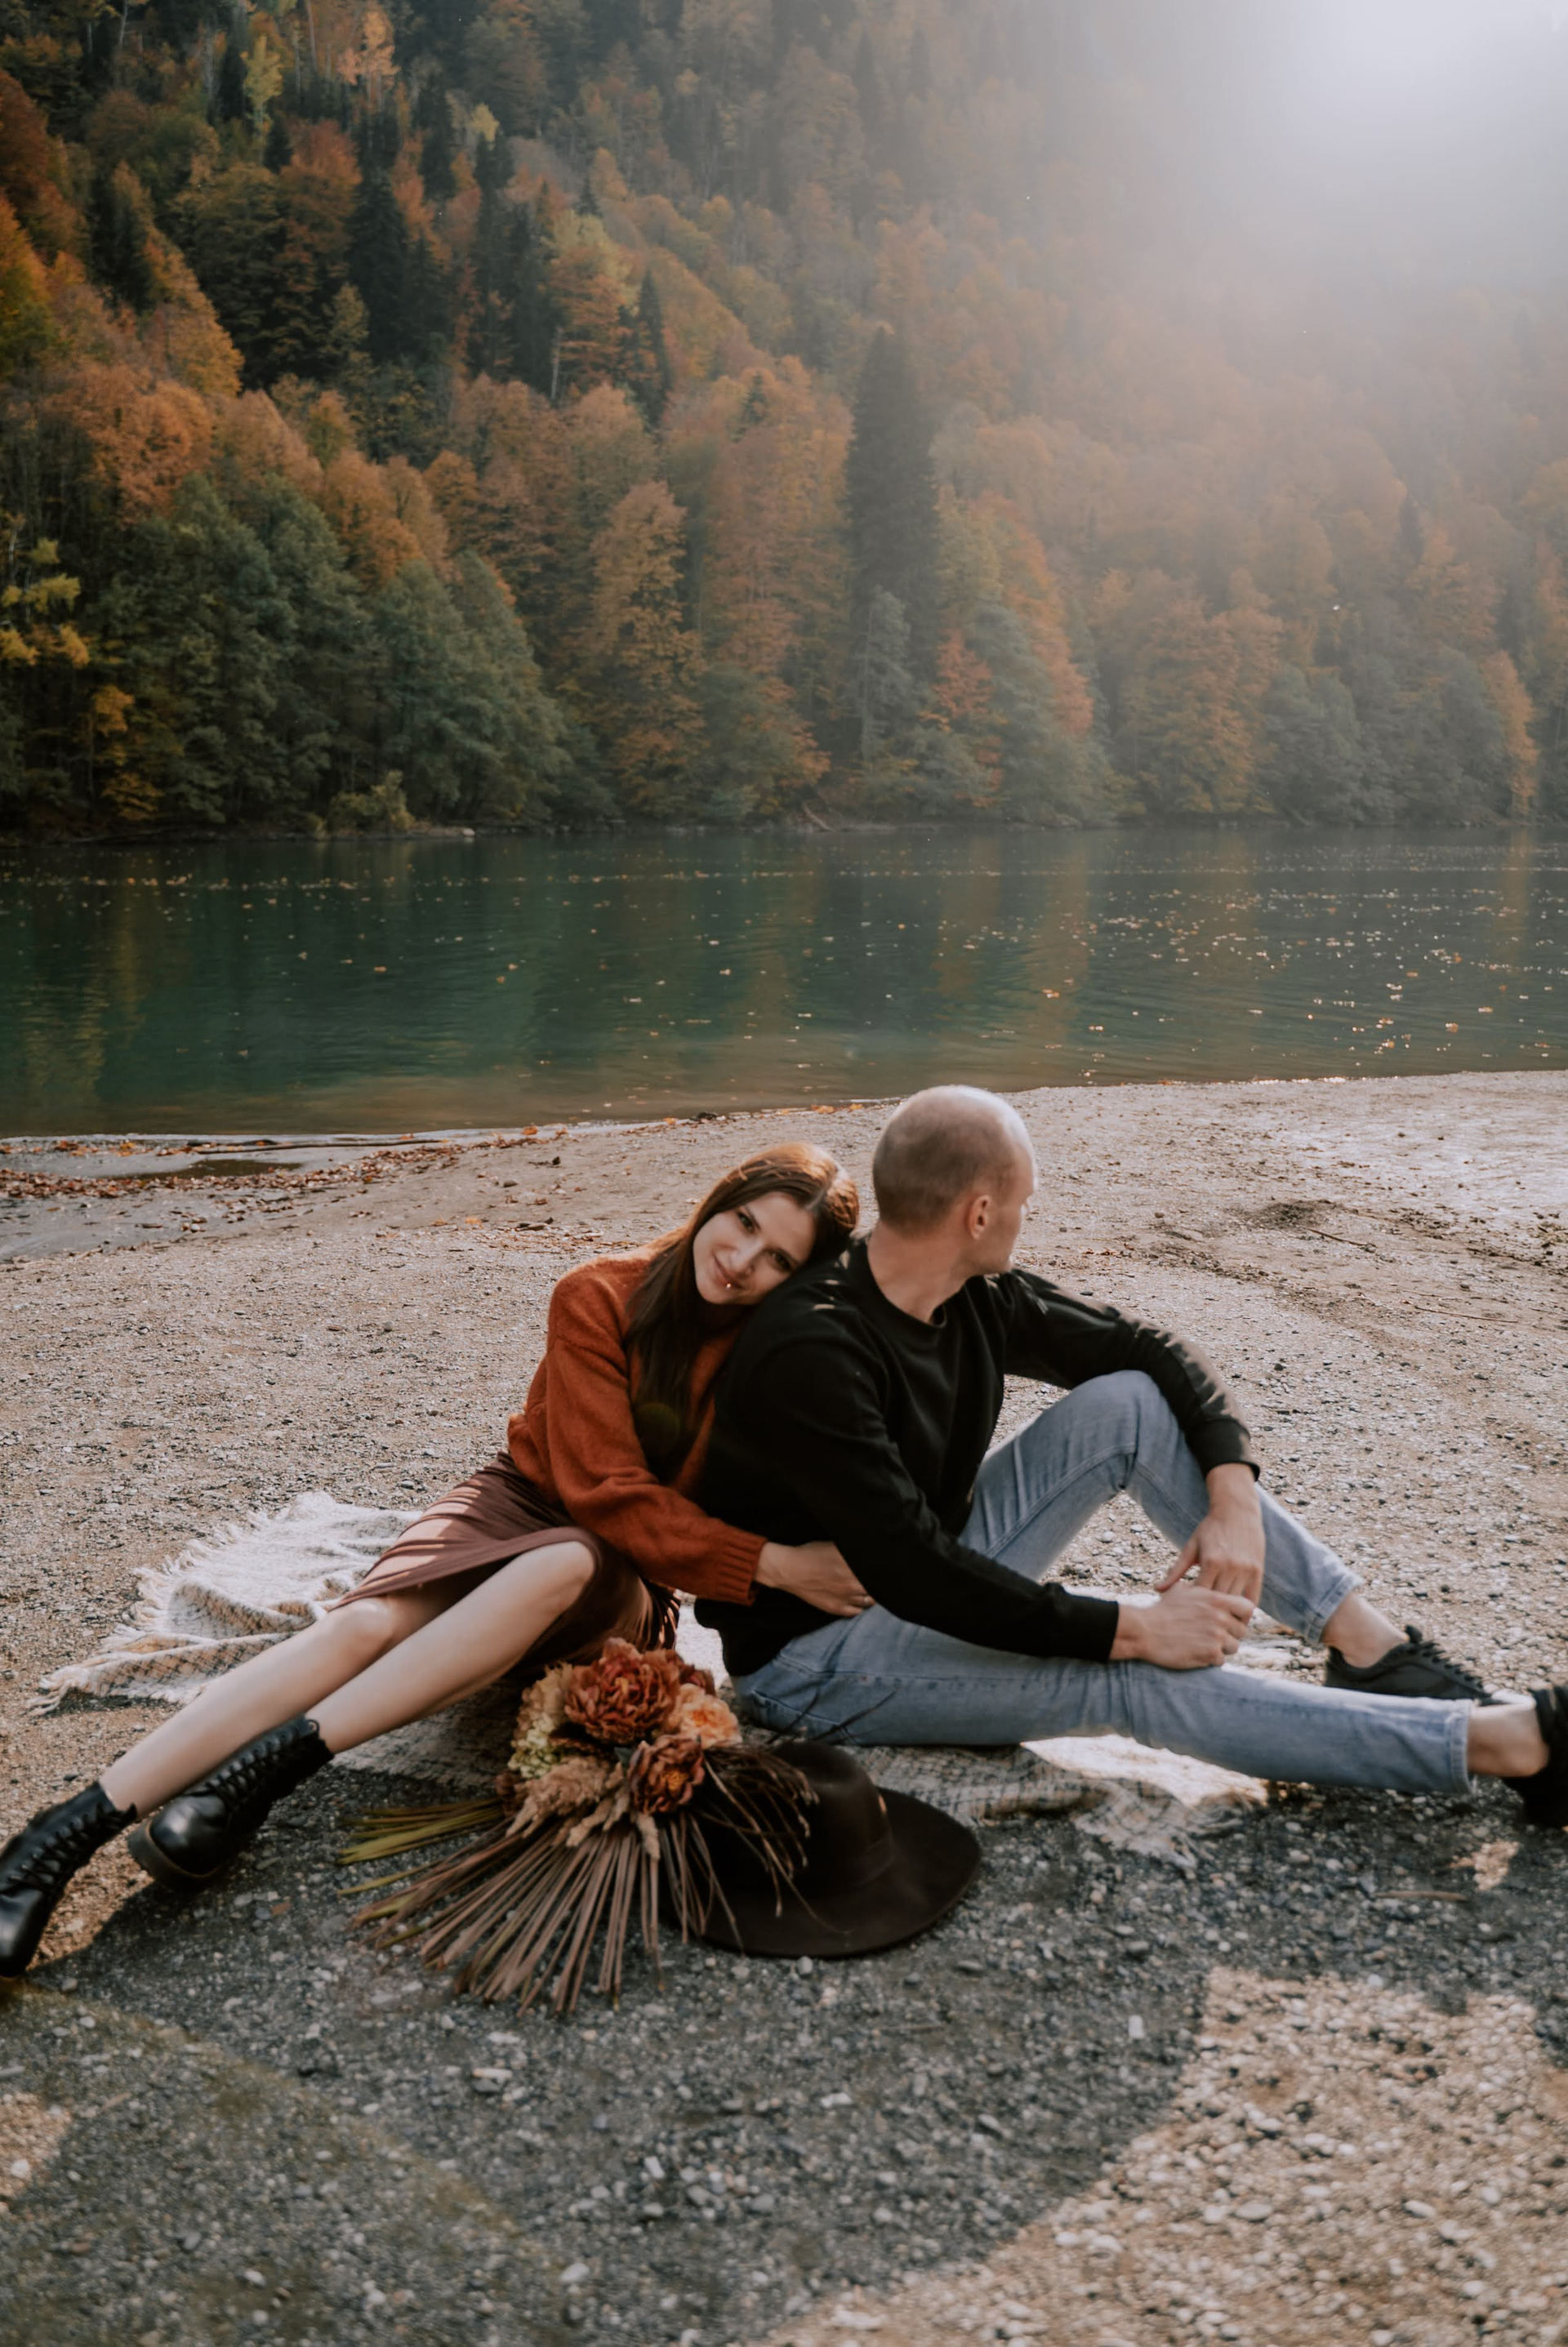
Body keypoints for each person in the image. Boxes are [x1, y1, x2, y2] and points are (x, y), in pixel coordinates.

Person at [0, 1143, 866, 1980]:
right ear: (719, 1199)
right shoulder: (600, 1293)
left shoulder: (769, 1356)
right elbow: (606, 1489)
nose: (743, 1260)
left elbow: (633, 1523)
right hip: (515, 1505)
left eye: (779, 1259)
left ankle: (251, 1782)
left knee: (566, 1560)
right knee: (363, 1626)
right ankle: (54, 1841)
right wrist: (775, 1565)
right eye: (744, 1223)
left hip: (618, 1579)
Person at [697, 1088, 1568, 1821]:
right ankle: (1505, 1745)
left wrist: (1232, 1497)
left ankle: (1371, 1651)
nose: (1027, 1217)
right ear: (980, 1213)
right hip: (814, 1664)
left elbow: (1150, 1350)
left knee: (1127, 1406)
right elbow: (915, 1572)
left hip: (925, 1570)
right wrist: (1132, 1628)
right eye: (1025, 1201)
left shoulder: (972, 1292)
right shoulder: (814, 1351)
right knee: (1133, 1674)